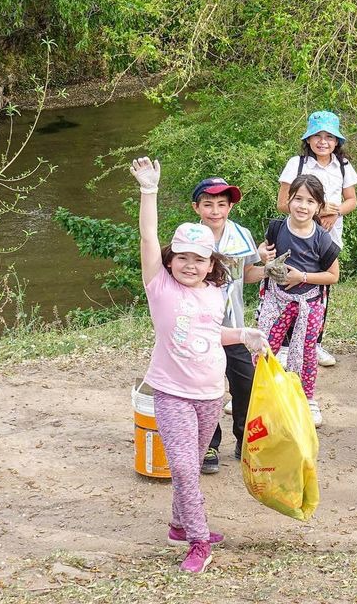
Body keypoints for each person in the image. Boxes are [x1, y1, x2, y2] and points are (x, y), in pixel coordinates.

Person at [129, 157, 266, 573]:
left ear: (212, 263)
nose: (190, 265)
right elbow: (148, 236)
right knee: (187, 468)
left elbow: (211, 334)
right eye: (183, 257)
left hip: (210, 394)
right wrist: (148, 190)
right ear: (171, 260)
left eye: (200, 259)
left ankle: (178, 523)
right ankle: (199, 541)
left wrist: (244, 334)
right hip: (172, 394)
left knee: (189, 466)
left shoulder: (214, 292)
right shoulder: (159, 287)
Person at [190, 177, 274, 473]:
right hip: (201, 329)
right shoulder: (189, 237)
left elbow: (247, 273)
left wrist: (269, 271)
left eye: (222, 205)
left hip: (235, 327)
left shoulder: (241, 235)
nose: (215, 211)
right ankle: (209, 444)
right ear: (196, 207)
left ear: (231, 206)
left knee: (245, 384)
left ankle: (245, 439)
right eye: (208, 204)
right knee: (206, 388)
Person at [277, 111, 357, 368]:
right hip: (298, 234)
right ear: (308, 139)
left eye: (329, 137)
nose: (323, 141)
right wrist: (319, 212)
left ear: (337, 141)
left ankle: (314, 343)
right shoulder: (297, 164)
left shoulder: (343, 166)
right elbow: (282, 204)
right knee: (290, 286)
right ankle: (286, 344)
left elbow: (352, 201)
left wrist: (335, 212)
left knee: (322, 290)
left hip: (329, 236)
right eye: (317, 136)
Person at [258, 174, 340, 427]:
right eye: (298, 199)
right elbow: (265, 249)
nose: (303, 206)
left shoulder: (323, 239)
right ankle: (259, 392)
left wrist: (302, 276)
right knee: (263, 347)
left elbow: (333, 276)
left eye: (310, 201)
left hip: (309, 303)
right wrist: (262, 252)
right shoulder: (277, 228)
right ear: (289, 200)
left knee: (306, 352)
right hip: (276, 298)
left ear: (319, 207)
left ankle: (307, 398)